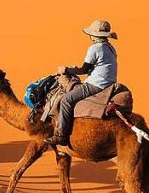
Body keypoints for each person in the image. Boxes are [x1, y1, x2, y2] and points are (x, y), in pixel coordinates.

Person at [44, 19, 119, 147]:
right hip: (109, 82)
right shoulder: (110, 47)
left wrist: (66, 70)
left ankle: (61, 135)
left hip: (96, 84)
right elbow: (95, 66)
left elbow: (84, 70)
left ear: (94, 35)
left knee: (66, 100)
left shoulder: (95, 48)